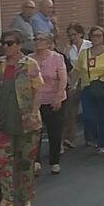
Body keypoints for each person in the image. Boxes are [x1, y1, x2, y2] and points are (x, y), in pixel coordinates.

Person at [0, 29, 43, 206]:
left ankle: (25, 197)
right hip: (4, 119)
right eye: (4, 43)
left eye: (10, 43)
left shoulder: (29, 64)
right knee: (3, 161)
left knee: (25, 161)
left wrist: (33, 113)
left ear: (19, 45)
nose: (6, 46)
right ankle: (7, 198)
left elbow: (38, 90)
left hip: (26, 120)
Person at [72, 26, 104, 155]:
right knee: (88, 117)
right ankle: (95, 136)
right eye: (94, 36)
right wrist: (70, 85)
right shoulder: (84, 53)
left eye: (99, 36)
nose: (96, 38)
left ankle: (103, 143)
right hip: (87, 89)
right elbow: (76, 71)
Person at [32, 31, 67, 174]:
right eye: (35, 39)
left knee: (54, 132)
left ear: (48, 42)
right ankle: (36, 161)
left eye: (40, 39)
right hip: (36, 101)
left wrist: (58, 97)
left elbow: (62, 79)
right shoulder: (29, 59)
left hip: (53, 99)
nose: (37, 42)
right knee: (35, 132)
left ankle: (55, 161)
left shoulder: (57, 58)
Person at [63, 23, 92, 149]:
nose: (72, 37)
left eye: (74, 34)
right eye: (70, 35)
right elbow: (66, 65)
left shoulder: (89, 45)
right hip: (74, 80)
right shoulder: (69, 49)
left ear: (80, 34)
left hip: (87, 79)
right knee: (70, 111)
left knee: (88, 111)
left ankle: (90, 137)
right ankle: (70, 137)